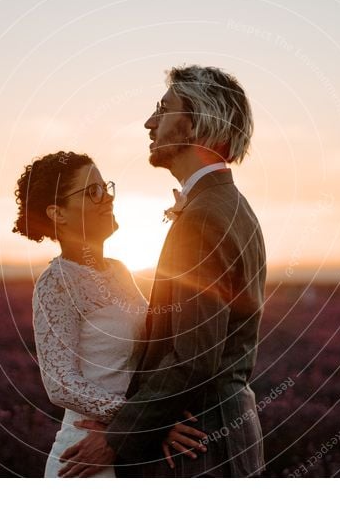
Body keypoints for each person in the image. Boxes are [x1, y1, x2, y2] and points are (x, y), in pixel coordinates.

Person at [58, 65, 267, 477]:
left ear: (199, 123)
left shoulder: (204, 216)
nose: (149, 122)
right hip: (218, 434)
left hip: (197, 444)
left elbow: (194, 358)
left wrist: (117, 437)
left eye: (163, 109)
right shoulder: (229, 206)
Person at [13, 152, 206, 477]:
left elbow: (157, 338)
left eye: (107, 187)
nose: (108, 198)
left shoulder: (118, 270)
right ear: (57, 213)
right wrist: (145, 421)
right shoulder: (57, 282)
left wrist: (187, 229)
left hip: (122, 447)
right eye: (93, 192)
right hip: (83, 457)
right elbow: (60, 384)